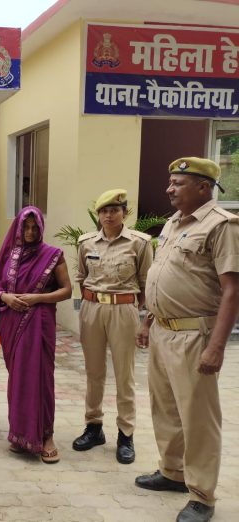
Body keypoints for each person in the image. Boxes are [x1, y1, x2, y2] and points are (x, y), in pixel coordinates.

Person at [135, 158, 239, 522]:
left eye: (177, 183)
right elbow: (163, 276)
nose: (169, 189)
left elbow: (232, 290)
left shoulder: (222, 226)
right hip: (162, 330)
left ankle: (202, 495)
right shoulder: (173, 223)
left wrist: (216, 347)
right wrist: (148, 322)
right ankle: (172, 472)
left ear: (203, 187)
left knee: (197, 418)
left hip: (195, 335)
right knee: (165, 407)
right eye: (170, 182)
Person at [72, 189, 153, 465]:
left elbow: (146, 282)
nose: (109, 215)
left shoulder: (139, 243)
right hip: (92, 309)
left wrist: (139, 314)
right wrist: (91, 303)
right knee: (94, 372)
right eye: (104, 211)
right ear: (99, 214)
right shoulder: (86, 243)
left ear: (124, 213)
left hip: (123, 309)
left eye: (114, 210)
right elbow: (81, 277)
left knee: (124, 374)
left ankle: (125, 434)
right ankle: (93, 427)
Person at [0, 206, 72, 463]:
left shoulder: (53, 255)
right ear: (18, 227)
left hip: (39, 323)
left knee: (41, 379)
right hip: (12, 324)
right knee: (19, 380)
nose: (30, 232)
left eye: (35, 227)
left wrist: (37, 298)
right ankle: (20, 434)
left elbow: (67, 290)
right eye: (25, 227)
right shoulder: (9, 255)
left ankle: (46, 436)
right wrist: (6, 297)